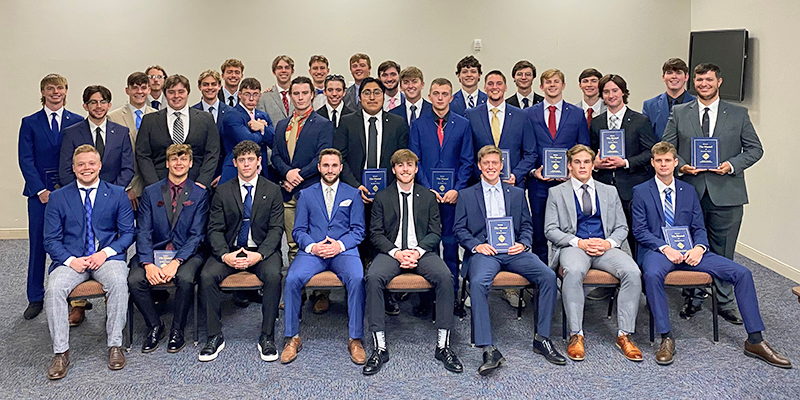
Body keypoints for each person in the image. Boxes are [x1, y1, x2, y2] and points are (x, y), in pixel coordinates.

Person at [632, 141, 790, 369]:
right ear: (653, 163)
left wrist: (699, 248)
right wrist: (665, 248)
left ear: (676, 163)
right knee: (652, 274)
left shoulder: (688, 190)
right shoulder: (641, 191)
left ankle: (755, 340)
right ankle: (666, 337)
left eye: (668, 160)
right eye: (659, 160)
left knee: (742, 273)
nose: (664, 164)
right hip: (659, 251)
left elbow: (698, 227)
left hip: (691, 251)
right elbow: (640, 231)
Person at [663, 63, 763, 324]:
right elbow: (666, 146)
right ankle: (693, 296)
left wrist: (731, 165)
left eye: (708, 79)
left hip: (727, 193)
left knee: (723, 250)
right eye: (699, 80)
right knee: (689, 247)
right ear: (693, 83)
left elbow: (755, 149)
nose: (703, 84)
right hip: (690, 192)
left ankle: (725, 301)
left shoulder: (738, 114)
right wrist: (682, 164)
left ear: (719, 82)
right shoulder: (680, 112)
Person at [453, 145, 564, 374]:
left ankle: (541, 338)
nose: (491, 167)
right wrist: (476, 245)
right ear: (480, 166)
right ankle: (488, 348)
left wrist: (522, 244)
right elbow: (459, 229)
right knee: (478, 283)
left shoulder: (516, 193)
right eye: (486, 163)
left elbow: (526, 224)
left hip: (514, 251)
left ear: (502, 166)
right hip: (486, 253)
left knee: (548, 276)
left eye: (495, 163)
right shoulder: (466, 194)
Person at [362, 149, 463, 375]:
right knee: (373, 277)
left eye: (410, 165)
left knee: (446, 277)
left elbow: (435, 232)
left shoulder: (427, 196)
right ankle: (380, 347)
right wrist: (397, 253)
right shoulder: (382, 197)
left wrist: (416, 252)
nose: (405, 169)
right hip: (392, 254)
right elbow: (375, 234)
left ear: (416, 168)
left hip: (422, 253)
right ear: (394, 169)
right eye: (400, 165)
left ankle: (443, 345)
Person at [43, 144, 134, 379]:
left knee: (118, 282)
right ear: (73, 168)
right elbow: (50, 239)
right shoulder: (58, 197)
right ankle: (60, 353)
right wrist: (71, 260)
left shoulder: (116, 194)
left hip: (106, 257)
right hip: (72, 260)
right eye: (81, 164)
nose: (86, 168)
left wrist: (104, 254)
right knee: (54, 288)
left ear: (100, 166)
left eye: (91, 163)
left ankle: (115, 345)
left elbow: (127, 234)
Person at [544, 144, 642, 362]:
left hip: (604, 247)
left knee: (633, 272)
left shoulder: (609, 191)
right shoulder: (556, 193)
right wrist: (579, 242)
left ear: (592, 165)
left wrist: (608, 244)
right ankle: (576, 334)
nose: (582, 166)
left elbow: (622, 227)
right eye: (577, 162)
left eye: (586, 162)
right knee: (574, 270)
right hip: (574, 247)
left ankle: (625, 334)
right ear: (569, 166)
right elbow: (550, 230)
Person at [198, 140, 284, 362]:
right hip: (230, 249)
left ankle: (267, 336)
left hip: (261, 250)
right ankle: (214, 336)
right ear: (235, 163)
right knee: (207, 276)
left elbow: (276, 229)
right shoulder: (223, 191)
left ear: (259, 162)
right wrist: (225, 255)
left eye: (251, 160)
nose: (247, 164)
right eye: (242, 160)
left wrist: (259, 255)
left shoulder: (272, 190)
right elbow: (214, 228)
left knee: (275, 275)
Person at [281, 148, 367, 366]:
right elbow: (298, 230)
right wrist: (313, 247)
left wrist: (338, 245)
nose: (330, 170)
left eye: (334, 165)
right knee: (291, 279)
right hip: (314, 252)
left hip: (343, 251)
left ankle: (355, 338)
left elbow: (358, 230)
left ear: (341, 168)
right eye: (326, 165)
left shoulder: (353, 194)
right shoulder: (306, 194)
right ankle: (292, 337)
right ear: (319, 167)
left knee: (357, 279)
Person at [466, 69, 537, 308]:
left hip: (512, 187)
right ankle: (474, 283)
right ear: (485, 87)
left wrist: (515, 175)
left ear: (506, 87)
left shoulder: (521, 115)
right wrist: (483, 174)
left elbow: (530, 152)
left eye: (499, 83)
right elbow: (467, 152)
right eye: (490, 84)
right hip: (480, 185)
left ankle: (510, 288)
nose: (494, 87)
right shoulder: (471, 115)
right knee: (477, 233)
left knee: (511, 232)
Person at [128, 144, 208, 354]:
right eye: (174, 159)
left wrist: (176, 261)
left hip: (187, 254)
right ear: (167, 163)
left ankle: (177, 330)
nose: (178, 163)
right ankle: (155, 325)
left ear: (190, 163)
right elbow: (143, 231)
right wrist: (147, 263)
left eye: (183, 159)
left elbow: (197, 235)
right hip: (154, 251)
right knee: (135, 280)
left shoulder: (199, 194)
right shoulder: (151, 192)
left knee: (185, 278)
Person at [18, 73, 83, 319]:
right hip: (40, 195)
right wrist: (41, 190)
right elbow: (25, 159)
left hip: (70, 193)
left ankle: (71, 295)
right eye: (50, 88)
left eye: (60, 87)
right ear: (43, 92)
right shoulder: (30, 122)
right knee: (38, 244)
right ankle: (35, 296)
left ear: (66, 91)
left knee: (69, 243)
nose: (55, 92)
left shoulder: (77, 121)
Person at [409, 77, 473, 318]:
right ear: (430, 96)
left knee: (450, 247)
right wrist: (426, 188)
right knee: (427, 248)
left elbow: (467, 160)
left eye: (445, 93)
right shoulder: (418, 124)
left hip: (453, 198)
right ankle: (427, 298)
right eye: (435, 93)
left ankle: (452, 297)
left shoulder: (463, 124)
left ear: (450, 97)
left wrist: (457, 188)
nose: (440, 98)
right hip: (427, 197)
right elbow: (415, 160)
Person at [334, 77, 408, 276]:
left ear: (384, 96)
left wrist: (390, 189)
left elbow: (403, 159)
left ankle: (387, 286)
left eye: (377, 92)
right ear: (359, 97)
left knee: (387, 239)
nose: (372, 97)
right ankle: (358, 285)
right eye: (367, 92)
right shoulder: (347, 122)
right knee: (359, 239)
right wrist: (355, 185)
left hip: (389, 192)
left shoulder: (397, 123)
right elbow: (341, 157)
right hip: (356, 191)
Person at [589, 74, 657, 263]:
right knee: (605, 235)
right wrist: (595, 163)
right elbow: (591, 153)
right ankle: (607, 285)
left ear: (623, 92)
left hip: (632, 187)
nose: (611, 95)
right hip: (603, 187)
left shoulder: (640, 121)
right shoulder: (596, 122)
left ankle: (640, 280)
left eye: (615, 90)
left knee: (636, 236)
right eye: (606, 92)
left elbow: (650, 153)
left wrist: (625, 162)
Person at [526, 69, 591, 263]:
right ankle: (542, 281)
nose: (552, 85)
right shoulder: (529, 113)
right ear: (541, 86)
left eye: (556, 82)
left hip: (568, 184)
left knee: (568, 230)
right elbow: (526, 147)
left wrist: (575, 171)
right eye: (548, 82)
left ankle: (567, 272)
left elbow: (583, 148)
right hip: (539, 184)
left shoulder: (577, 114)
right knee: (539, 232)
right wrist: (532, 172)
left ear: (563, 85)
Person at [272, 76, 334, 267]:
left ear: (313, 95)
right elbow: (275, 156)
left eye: (305, 93)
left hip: (311, 191)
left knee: (316, 243)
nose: (300, 98)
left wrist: (298, 175)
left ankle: (318, 293)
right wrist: (288, 174)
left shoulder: (323, 124)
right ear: (290, 96)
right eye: (296, 93)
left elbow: (321, 157)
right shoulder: (282, 125)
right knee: (292, 245)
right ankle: (296, 293)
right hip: (287, 193)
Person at [136, 74, 220, 189]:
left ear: (188, 93)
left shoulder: (206, 119)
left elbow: (212, 153)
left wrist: (202, 183)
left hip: (196, 186)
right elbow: (142, 154)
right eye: (171, 92)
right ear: (165, 94)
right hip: (159, 187)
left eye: (181, 91)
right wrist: (154, 186)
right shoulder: (149, 120)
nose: (176, 96)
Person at [59, 85, 133, 189]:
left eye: (103, 102)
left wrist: (112, 192)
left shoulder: (121, 133)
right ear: (85, 106)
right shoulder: (71, 133)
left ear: (109, 105)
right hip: (81, 196)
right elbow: (65, 171)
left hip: (113, 195)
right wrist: (83, 192)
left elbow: (127, 168)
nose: (99, 106)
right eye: (93, 102)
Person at [108, 72, 157, 210]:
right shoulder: (113, 118)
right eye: (135, 88)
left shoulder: (158, 116)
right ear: (127, 90)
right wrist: (126, 187)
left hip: (153, 184)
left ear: (149, 90)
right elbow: (113, 157)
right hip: (128, 186)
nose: (139, 91)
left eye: (143, 87)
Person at [219, 77, 273, 185]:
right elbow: (247, 141)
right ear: (239, 95)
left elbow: (274, 141)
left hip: (261, 172)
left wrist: (262, 128)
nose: (251, 98)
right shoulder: (232, 115)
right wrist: (261, 130)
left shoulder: (263, 116)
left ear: (260, 95)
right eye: (247, 94)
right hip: (235, 172)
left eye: (255, 94)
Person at [192, 70, 232, 185]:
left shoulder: (231, 113)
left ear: (220, 86)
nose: (210, 88)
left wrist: (225, 174)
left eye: (213, 84)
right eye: (205, 84)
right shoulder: (191, 113)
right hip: (198, 175)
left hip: (223, 174)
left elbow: (233, 148)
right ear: (199, 87)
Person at [642, 58, 696, 140]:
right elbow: (646, 138)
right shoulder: (649, 106)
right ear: (663, 77)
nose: (674, 76)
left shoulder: (697, 104)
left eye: (679, 73)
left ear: (686, 77)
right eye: (669, 73)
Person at [257, 55, 295, 123]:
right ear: (274, 72)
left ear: (292, 71)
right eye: (279, 68)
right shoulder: (264, 98)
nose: (283, 70)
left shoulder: (300, 95)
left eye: (287, 67)